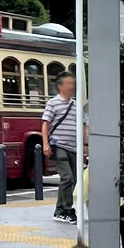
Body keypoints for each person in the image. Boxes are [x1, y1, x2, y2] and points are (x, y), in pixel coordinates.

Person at [41, 71, 87, 224]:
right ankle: (63, 210)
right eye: (69, 84)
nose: (72, 86)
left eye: (73, 83)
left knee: (74, 180)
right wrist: (46, 144)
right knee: (67, 177)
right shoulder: (53, 103)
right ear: (60, 86)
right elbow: (45, 124)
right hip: (59, 146)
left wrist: (84, 147)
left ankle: (64, 209)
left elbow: (83, 126)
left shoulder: (76, 105)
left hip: (74, 148)